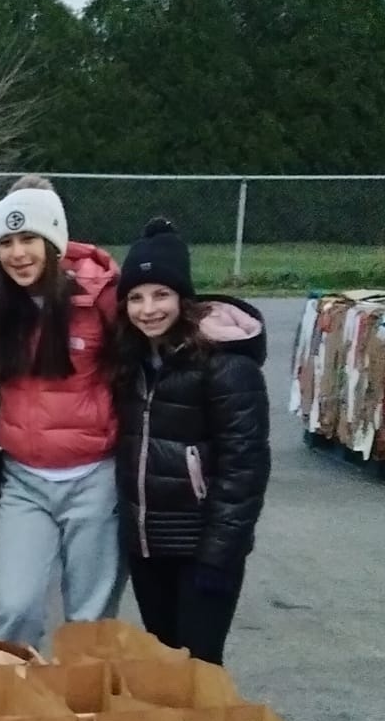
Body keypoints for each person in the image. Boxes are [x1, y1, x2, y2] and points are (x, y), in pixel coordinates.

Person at [112, 218, 270, 663]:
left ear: (184, 298)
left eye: (161, 294)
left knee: (200, 667)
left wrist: (220, 555)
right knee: (164, 663)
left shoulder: (226, 365)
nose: (148, 309)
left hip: (201, 547)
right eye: (136, 297)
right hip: (148, 544)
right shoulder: (131, 360)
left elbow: (246, 468)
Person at [0, 175, 125, 651]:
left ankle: (81, 717)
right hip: (24, 480)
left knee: (89, 622)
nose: (18, 253)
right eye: (6, 242)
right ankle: (20, 712)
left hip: (94, 478)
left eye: (29, 239)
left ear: (53, 241)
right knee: (14, 608)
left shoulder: (101, 295)